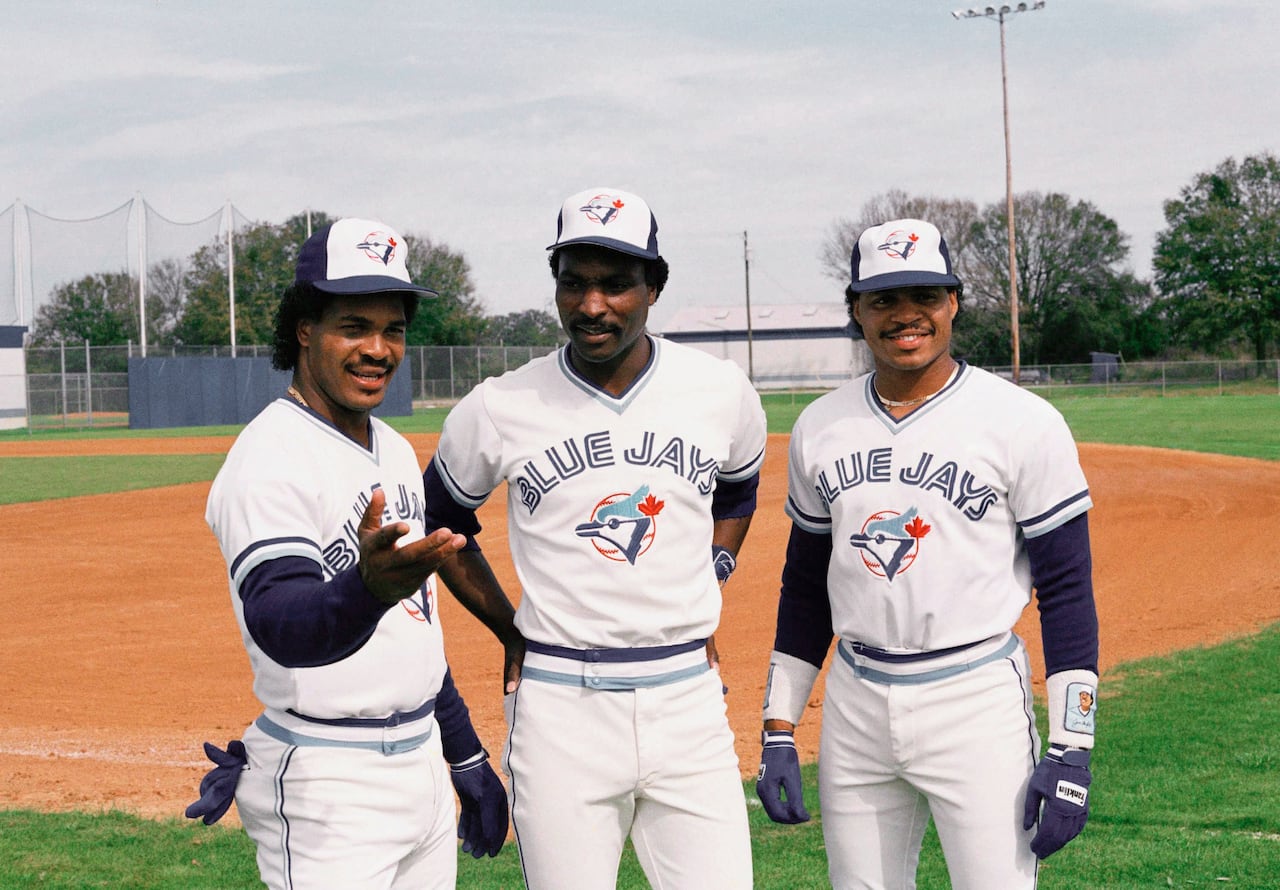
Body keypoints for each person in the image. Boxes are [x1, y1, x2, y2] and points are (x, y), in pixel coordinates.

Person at [422, 187, 766, 889]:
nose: (592, 305)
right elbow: (440, 523)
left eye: (615, 285)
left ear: (653, 287)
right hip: (558, 706)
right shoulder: (500, 405)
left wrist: (713, 571)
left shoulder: (720, 390)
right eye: (572, 283)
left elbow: (738, 488)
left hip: (687, 701)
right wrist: (508, 627)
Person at [754, 218, 1099, 888]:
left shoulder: (1022, 421)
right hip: (855, 703)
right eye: (883, 299)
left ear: (953, 302)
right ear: (856, 310)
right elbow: (804, 588)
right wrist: (778, 726)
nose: (905, 315)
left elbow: (1066, 588)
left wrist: (1073, 748)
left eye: (924, 295)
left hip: (974, 697)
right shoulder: (820, 427)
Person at [187, 218, 509, 889]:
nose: (378, 349)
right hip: (329, 782)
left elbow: (415, 635)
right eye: (353, 326)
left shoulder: (390, 447)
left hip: (419, 760)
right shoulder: (269, 459)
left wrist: (464, 754)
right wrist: (367, 589)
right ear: (305, 328)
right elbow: (280, 623)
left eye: (392, 329)